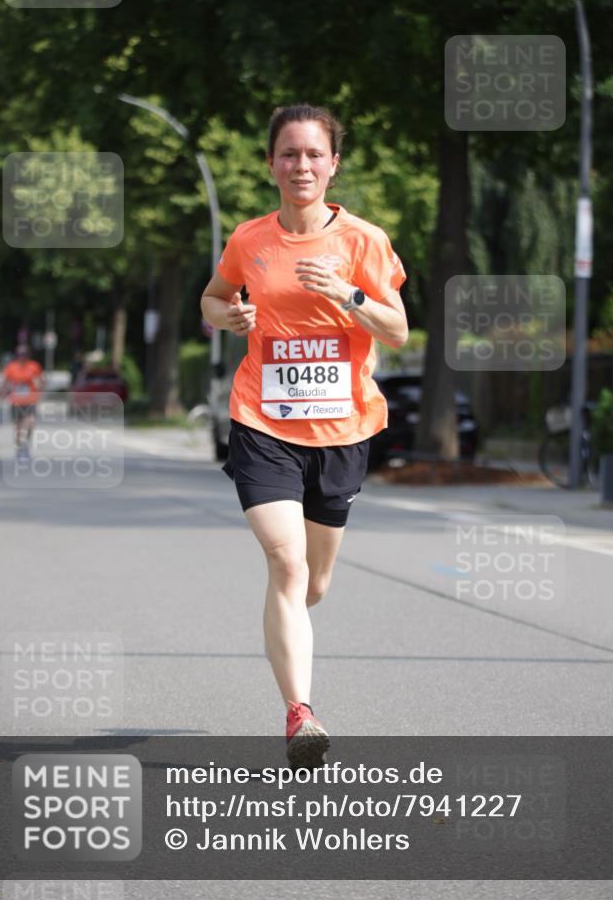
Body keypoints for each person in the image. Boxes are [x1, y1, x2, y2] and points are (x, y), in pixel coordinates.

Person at [201, 104, 408, 767]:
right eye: (288, 154)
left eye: (313, 154)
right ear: (270, 164)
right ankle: (300, 713)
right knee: (285, 564)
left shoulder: (362, 241)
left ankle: (289, 619)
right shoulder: (249, 240)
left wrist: (348, 295)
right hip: (262, 421)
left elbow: (397, 329)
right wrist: (226, 316)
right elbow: (212, 297)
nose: (301, 166)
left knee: (312, 584)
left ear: (333, 164)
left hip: (341, 430)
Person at [0, 344, 45, 458]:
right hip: (16, 401)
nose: (22, 356)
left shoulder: (34, 366)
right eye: (20, 354)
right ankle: (19, 447)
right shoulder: (11, 367)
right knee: (18, 427)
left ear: (28, 355)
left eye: (24, 354)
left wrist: (39, 388)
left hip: (30, 401)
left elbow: (41, 381)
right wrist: (3, 395)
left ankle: (26, 445)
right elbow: (5, 383)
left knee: (30, 423)